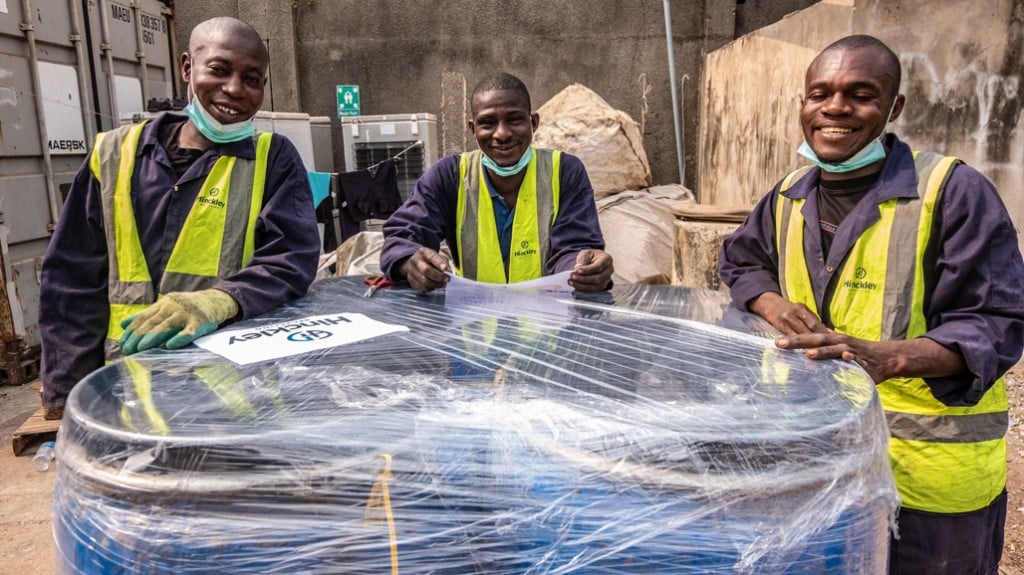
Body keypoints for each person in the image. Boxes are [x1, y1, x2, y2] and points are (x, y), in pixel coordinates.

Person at [719, 34, 1024, 575]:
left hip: (928, 478)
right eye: (821, 94)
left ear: (894, 107)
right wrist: (770, 303)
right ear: (803, 104)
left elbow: (995, 323)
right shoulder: (789, 193)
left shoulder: (951, 192)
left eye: (860, 94)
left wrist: (891, 358)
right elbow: (741, 262)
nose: (835, 108)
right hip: (815, 466)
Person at [38, 16, 321, 418]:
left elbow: (292, 260)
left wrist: (221, 300)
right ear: (188, 67)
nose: (234, 89)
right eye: (219, 71)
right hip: (128, 399)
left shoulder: (272, 159)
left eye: (252, 79)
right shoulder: (113, 155)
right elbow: (71, 282)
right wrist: (69, 398)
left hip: (233, 403)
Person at [380, 72, 613, 292]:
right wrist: (411, 262)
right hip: (472, 325)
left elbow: (575, 249)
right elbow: (401, 237)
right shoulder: (449, 176)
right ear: (473, 129)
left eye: (514, 119)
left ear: (533, 123)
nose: (502, 134)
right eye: (488, 123)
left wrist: (585, 269)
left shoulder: (564, 172)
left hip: (548, 325)